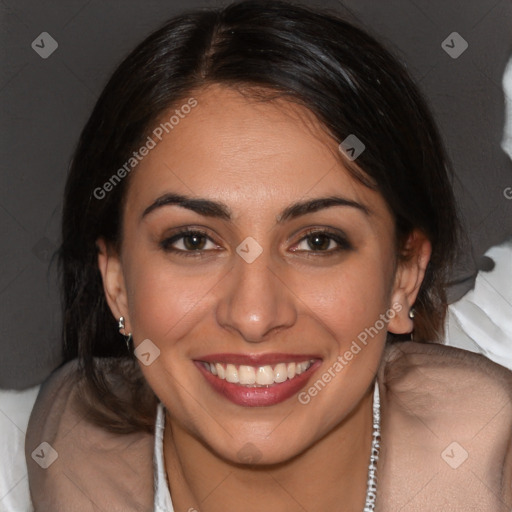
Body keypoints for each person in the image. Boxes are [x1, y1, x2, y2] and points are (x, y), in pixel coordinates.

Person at [25, 1, 512, 511]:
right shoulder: (72, 443)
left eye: (318, 241)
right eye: (193, 241)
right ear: (117, 282)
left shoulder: (482, 456)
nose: (255, 316)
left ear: (404, 276)